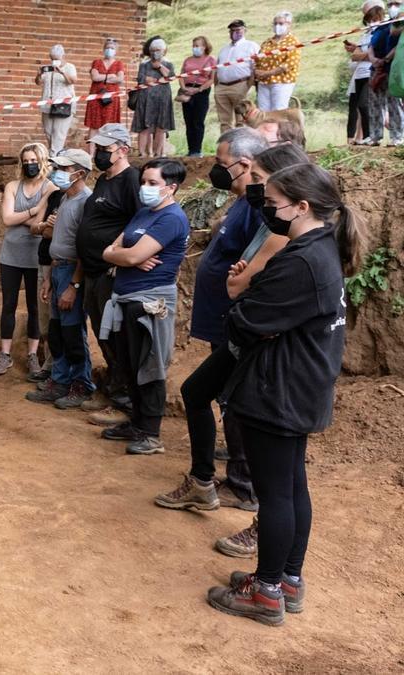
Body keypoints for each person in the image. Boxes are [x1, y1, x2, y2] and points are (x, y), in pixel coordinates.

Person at [206, 163, 366, 626]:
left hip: (278, 389)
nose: (268, 211)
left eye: (274, 204)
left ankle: (268, 591)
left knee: (276, 494)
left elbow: (244, 320)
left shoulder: (301, 261)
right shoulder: (320, 248)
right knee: (292, 487)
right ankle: (287, 579)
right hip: (302, 385)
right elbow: (264, 318)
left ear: (301, 207)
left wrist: (247, 309)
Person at [152, 128, 271, 515]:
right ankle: (229, 476)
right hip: (222, 320)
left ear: (245, 164)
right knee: (223, 397)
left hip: (234, 322)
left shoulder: (259, 209)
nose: (216, 171)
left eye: (221, 165)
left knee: (234, 400)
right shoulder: (240, 202)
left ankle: (241, 484)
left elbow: (258, 267)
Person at [97, 159, 190, 456]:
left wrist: (126, 255)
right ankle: (136, 423)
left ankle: (150, 433)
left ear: (171, 188)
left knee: (149, 364)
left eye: (152, 183)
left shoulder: (171, 218)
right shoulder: (144, 214)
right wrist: (124, 254)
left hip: (151, 302)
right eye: (144, 182)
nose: (145, 188)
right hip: (127, 299)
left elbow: (131, 256)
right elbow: (110, 251)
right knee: (129, 362)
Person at [76, 123, 141, 423]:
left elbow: (140, 225)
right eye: (97, 148)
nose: (98, 153)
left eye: (104, 149)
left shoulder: (132, 181)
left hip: (110, 273)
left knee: (115, 335)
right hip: (92, 271)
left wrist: (122, 259)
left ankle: (123, 399)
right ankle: (113, 388)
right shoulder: (104, 180)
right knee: (102, 334)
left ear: (123, 150)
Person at [25, 149, 95, 409]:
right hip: (58, 270)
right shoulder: (66, 198)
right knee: (57, 332)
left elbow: (84, 250)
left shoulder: (86, 201)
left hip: (71, 273)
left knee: (73, 332)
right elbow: (59, 240)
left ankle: (82, 384)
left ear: (80, 173)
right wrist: (49, 278)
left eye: (64, 169)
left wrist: (74, 286)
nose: (58, 173)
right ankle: (60, 380)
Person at [0, 142, 56, 378]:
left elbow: (41, 226)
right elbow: (7, 219)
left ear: (42, 161)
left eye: (34, 160)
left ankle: (32, 355)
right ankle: (5, 354)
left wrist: (32, 220)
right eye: (26, 161)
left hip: (37, 255)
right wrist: (35, 209)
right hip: (11, 253)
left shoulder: (50, 187)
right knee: (8, 305)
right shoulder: (12, 186)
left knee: (33, 307)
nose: (30, 165)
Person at [132, 38, 175, 158]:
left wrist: (159, 67)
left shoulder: (168, 64)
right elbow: (142, 79)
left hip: (163, 99)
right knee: (145, 126)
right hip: (146, 98)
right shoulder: (144, 64)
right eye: (153, 50)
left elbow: (170, 77)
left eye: (158, 50)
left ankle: (158, 153)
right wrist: (157, 80)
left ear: (163, 51)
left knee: (161, 127)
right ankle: (142, 152)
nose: (155, 52)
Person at [215, 20, 261, 133]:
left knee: (241, 119)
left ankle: (241, 146)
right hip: (222, 87)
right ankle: (226, 146)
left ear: (244, 30)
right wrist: (216, 86)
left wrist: (248, 85)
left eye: (238, 30)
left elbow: (256, 67)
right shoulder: (224, 49)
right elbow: (217, 68)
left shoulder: (251, 46)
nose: (234, 33)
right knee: (224, 121)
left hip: (240, 85)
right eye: (232, 30)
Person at [369, 1, 404, 146]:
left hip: (392, 68)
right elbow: (371, 44)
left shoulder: (400, 25)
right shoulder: (383, 25)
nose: (392, 7)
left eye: (396, 3)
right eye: (389, 4)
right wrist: (373, 60)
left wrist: (386, 59)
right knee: (375, 104)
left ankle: (397, 136)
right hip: (376, 68)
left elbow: (399, 45)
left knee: (394, 103)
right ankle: (375, 136)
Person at [254, 12, 303, 112]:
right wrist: (256, 71)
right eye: (275, 23)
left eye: (281, 23)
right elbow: (257, 59)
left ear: (289, 24)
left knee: (278, 112)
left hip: (282, 82)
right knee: (264, 113)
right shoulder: (267, 42)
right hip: (264, 83)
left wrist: (267, 73)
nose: (277, 26)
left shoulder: (293, 42)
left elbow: (289, 64)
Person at [346, 4, 379, 145]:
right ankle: (367, 136)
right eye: (368, 19)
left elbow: (377, 53)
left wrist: (365, 55)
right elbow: (355, 55)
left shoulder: (380, 34)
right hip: (359, 74)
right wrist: (366, 55)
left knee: (364, 104)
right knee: (359, 106)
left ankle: (371, 135)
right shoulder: (365, 35)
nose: (371, 22)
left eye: (373, 19)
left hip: (371, 73)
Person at [35, 44, 77, 153]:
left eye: (56, 58)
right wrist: (39, 75)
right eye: (52, 58)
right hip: (47, 105)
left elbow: (72, 81)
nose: (53, 61)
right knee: (49, 133)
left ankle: (54, 160)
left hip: (63, 105)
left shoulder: (69, 67)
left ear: (62, 56)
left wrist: (61, 72)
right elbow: (38, 82)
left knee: (59, 134)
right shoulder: (48, 69)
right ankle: (55, 154)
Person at [85, 38, 124, 154]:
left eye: (112, 48)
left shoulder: (119, 64)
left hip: (111, 99)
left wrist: (103, 77)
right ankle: (91, 154)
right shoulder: (97, 62)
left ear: (116, 51)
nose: (109, 50)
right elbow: (94, 77)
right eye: (107, 48)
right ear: (103, 49)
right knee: (94, 125)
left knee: (109, 126)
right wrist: (110, 76)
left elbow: (120, 79)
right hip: (96, 97)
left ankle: (107, 152)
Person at [180, 36, 217, 157]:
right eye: (194, 45)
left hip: (201, 91)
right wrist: (184, 88)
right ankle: (191, 149)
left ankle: (197, 150)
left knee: (198, 121)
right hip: (186, 91)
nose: (195, 48)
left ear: (204, 47)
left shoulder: (210, 60)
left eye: (198, 45)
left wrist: (199, 89)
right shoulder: (187, 60)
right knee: (189, 121)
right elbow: (181, 75)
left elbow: (212, 79)